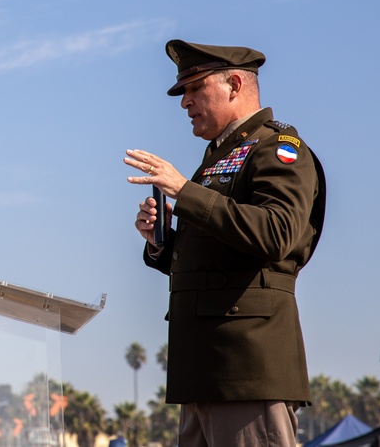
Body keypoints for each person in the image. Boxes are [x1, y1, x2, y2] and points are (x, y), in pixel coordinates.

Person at [124, 39, 326, 447]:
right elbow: (215, 258)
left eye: (196, 88)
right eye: (185, 92)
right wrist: (161, 242)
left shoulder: (278, 149)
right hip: (203, 372)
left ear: (234, 84)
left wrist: (185, 192)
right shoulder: (218, 159)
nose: (185, 102)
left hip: (247, 369)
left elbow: (277, 234)